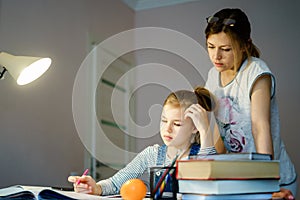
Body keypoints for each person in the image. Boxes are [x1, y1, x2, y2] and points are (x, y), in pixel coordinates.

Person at [204, 8, 297, 199]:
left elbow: (260, 127)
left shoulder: (256, 72)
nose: (216, 56)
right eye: (211, 47)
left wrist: (268, 183)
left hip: (274, 178)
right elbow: (221, 130)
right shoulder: (213, 75)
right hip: (240, 176)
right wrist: (210, 169)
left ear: (244, 45)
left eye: (226, 49)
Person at [68, 87, 219, 196]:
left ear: (194, 127)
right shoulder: (151, 155)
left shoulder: (201, 154)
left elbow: (213, 184)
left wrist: (205, 130)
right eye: (164, 121)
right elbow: (115, 183)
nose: (167, 129)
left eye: (177, 124)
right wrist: (95, 188)